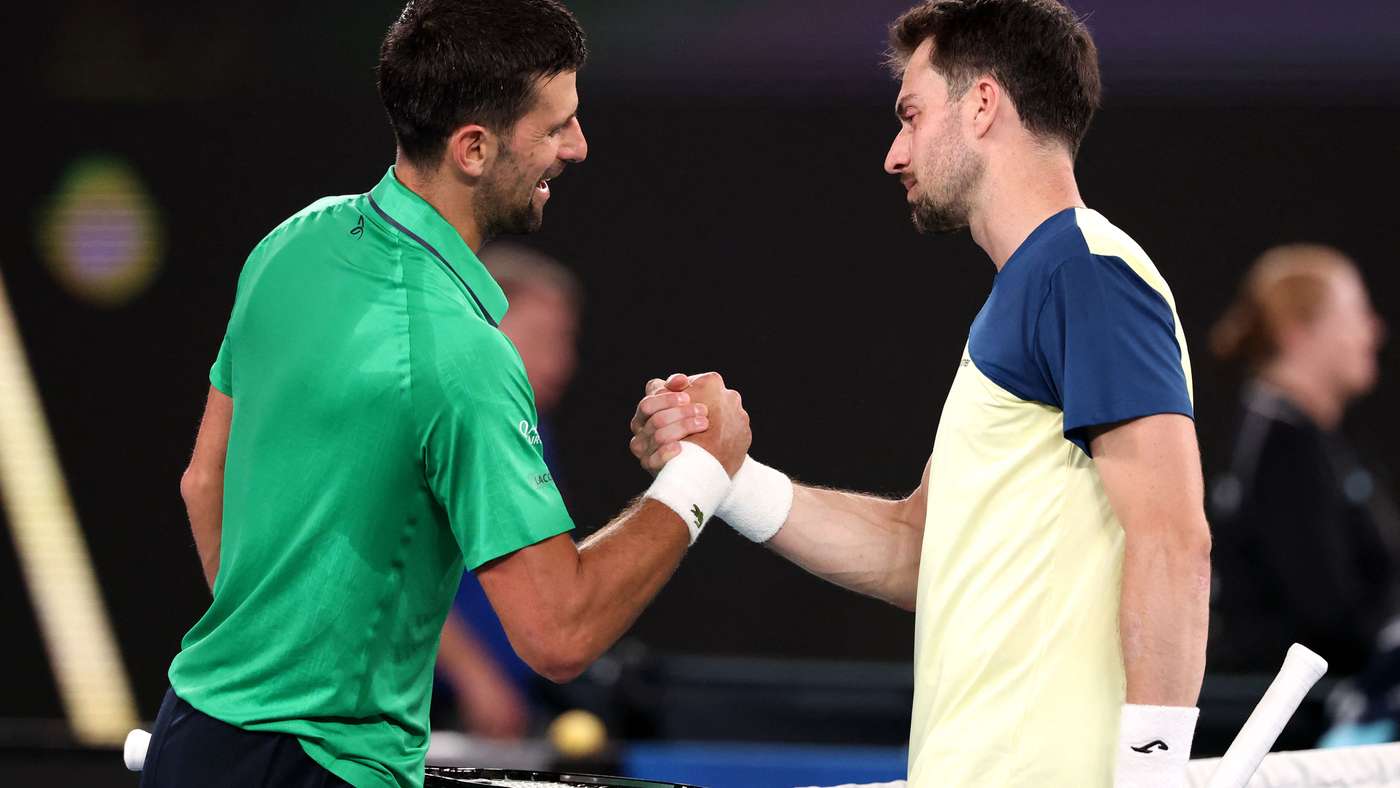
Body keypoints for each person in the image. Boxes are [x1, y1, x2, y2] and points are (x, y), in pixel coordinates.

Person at [149, 3, 750, 787]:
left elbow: (205, 481)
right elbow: (558, 633)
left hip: (194, 734)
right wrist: (704, 472)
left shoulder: (292, 242)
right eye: (556, 126)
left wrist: (272, 667)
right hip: (317, 771)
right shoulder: (461, 354)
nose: (577, 146)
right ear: (473, 148)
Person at [631, 1, 1211, 785]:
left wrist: (1153, 775)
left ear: (981, 105)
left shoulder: (1084, 270)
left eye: (911, 114)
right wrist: (725, 473)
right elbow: (915, 549)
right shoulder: (1035, 288)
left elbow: (1174, 541)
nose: (894, 154)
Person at [1208, 244, 1396, 677]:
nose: (1374, 331)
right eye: (1356, 314)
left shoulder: (1309, 437)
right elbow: (1325, 612)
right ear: (1298, 332)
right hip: (1299, 719)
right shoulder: (1281, 448)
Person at [434, 243, 583, 740]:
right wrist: (476, 680)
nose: (560, 362)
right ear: (483, 324)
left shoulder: (530, 431)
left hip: (505, 713)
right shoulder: (447, 422)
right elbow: (385, 574)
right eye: (542, 338)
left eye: (566, 341)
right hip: (418, 714)